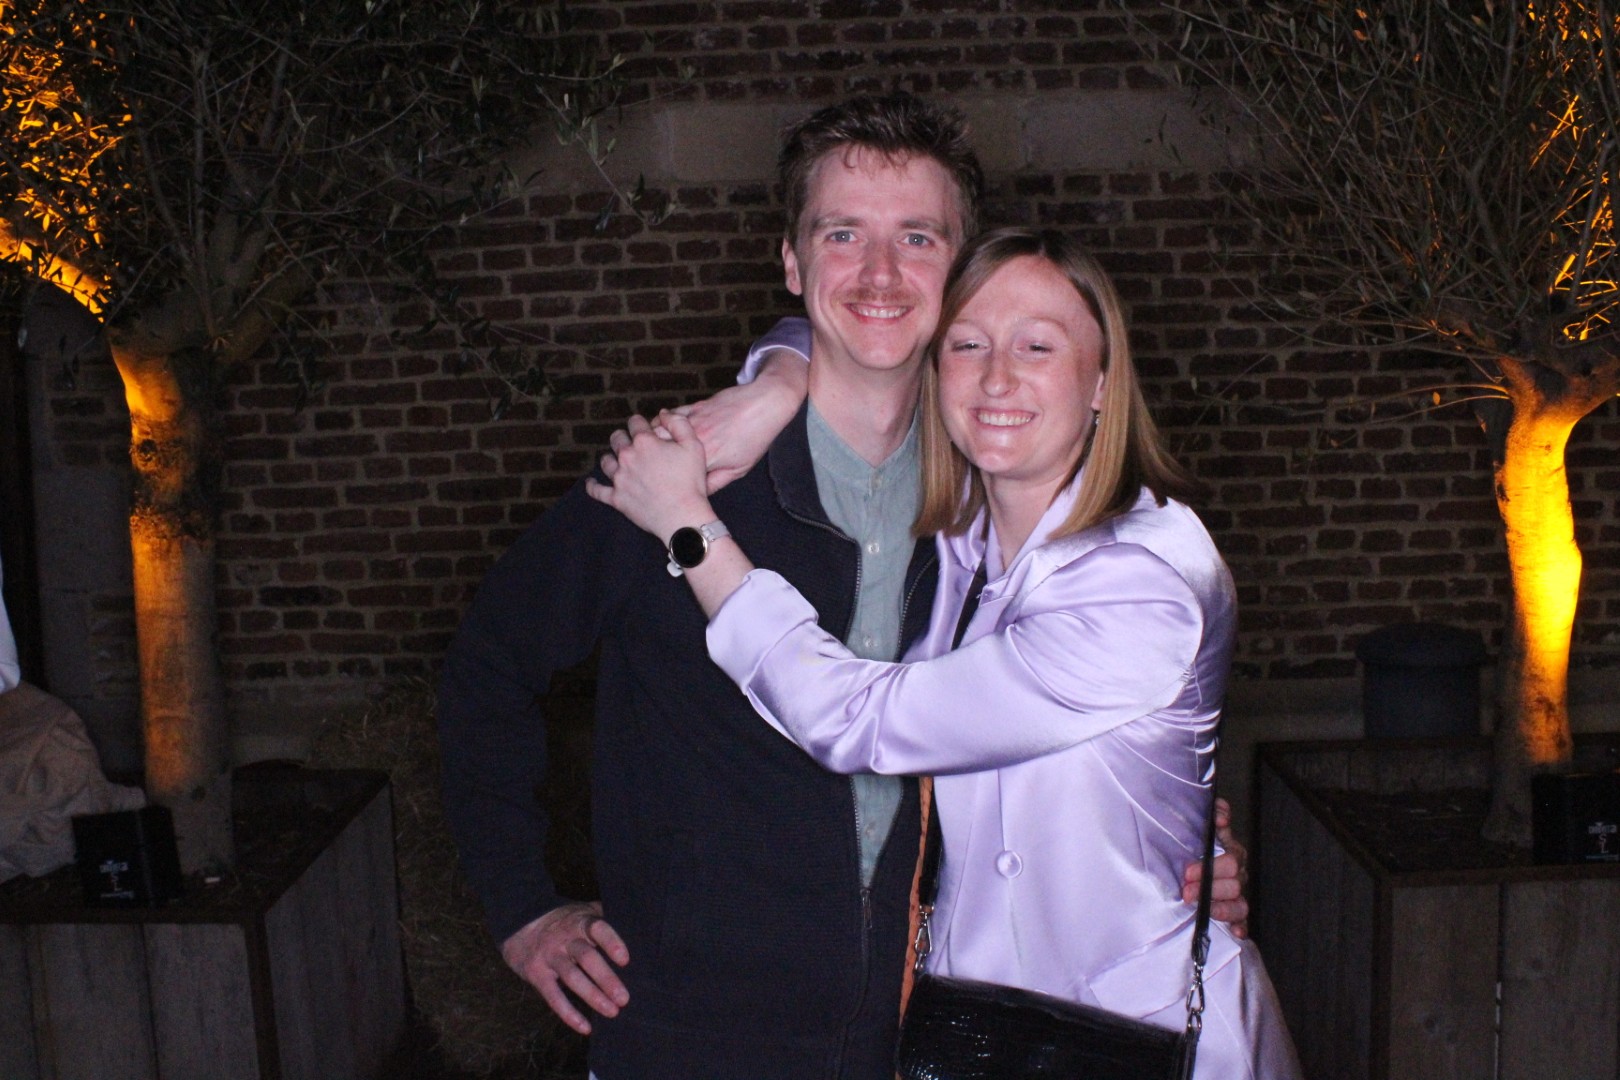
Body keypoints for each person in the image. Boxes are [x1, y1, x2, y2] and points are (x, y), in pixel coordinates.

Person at [438, 94, 1248, 1080]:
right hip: (688, 1039)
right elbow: (489, 662)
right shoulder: (676, 476)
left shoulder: (979, 511)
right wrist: (523, 906)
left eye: (917, 237)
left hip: (912, 1040)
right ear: (792, 260)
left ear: (960, 272)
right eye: (841, 235)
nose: (879, 273)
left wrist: (1163, 839)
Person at [588, 227, 1302, 1078]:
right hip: (974, 1033)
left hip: (1141, 1034)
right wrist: (776, 383)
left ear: (1103, 381)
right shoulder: (965, 530)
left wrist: (690, 528)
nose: (997, 377)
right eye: (968, 345)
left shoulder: (1143, 582)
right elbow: (841, 334)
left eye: (1038, 346)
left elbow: (854, 720)